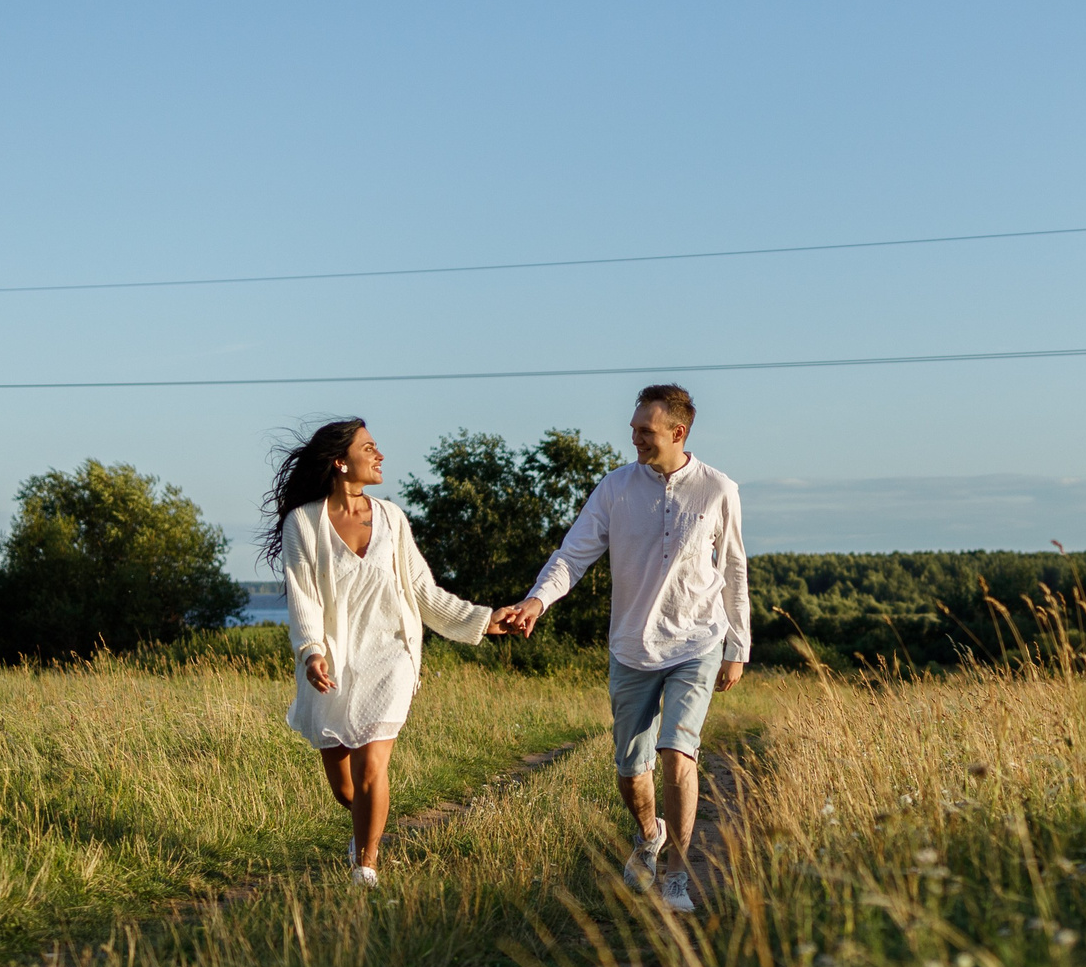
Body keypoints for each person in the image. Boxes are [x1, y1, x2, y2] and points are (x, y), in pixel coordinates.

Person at [496, 383, 747, 914]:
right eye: (634, 428)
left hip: (696, 641)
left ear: (678, 433)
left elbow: (733, 569)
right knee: (631, 771)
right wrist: (537, 602)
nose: (633, 437)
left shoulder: (718, 489)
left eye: (645, 431)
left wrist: (737, 644)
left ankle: (676, 875)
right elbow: (572, 555)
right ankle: (648, 834)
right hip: (631, 647)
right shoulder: (614, 488)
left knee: (677, 750)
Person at [263, 418, 506, 886]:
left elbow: (421, 590)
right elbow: (304, 596)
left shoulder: (392, 518)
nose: (379, 456)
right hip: (333, 661)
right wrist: (312, 652)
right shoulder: (303, 523)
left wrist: (483, 618)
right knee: (345, 788)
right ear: (340, 461)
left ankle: (366, 867)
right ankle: (364, 828)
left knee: (372, 767)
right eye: (369, 448)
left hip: (390, 656)